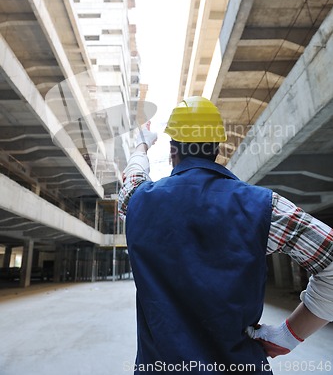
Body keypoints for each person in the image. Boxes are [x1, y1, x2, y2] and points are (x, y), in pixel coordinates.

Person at [118, 96, 333, 374]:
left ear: (173, 150)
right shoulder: (265, 207)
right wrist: (289, 335)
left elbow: (132, 178)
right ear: (217, 148)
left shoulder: (138, 201)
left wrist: (142, 144)